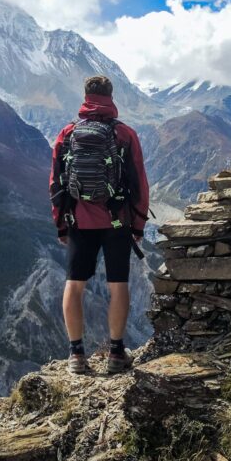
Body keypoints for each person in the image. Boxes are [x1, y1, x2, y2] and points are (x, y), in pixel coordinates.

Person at [49, 75, 150, 374]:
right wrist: (138, 225)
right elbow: (140, 184)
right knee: (118, 286)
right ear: (111, 96)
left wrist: (61, 224)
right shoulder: (125, 134)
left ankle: (76, 355)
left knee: (74, 285)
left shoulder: (67, 134)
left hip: (79, 220)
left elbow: (55, 183)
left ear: (85, 97)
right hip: (117, 220)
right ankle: (116, 353)